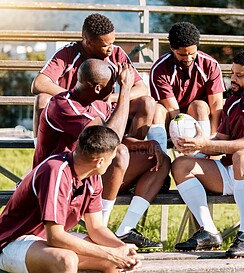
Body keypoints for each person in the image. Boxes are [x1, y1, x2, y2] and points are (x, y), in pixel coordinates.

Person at [34, 58, 171, 251]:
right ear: (97, 88)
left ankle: (125, 228)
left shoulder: (98, 103)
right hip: (58, 181)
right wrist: (125, 90)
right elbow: (109, 139)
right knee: (119, 153)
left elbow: (116, 138)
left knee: (160, 160)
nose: (115, 88)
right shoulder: (64, 106)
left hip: (89, 175)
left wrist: (146, 144)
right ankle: (101, 229)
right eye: (112, 84)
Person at [171, 51, 244, 258]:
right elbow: (220, 140)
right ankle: (209, 231)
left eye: (240, 75)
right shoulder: (232, 101)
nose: (233, 79)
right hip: (232, 169)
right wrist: (196, 146)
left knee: (243, 155)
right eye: (232, 73)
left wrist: (206, 143)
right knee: (181, 164)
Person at [0, 125, 144, 273]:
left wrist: (122, 250)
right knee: (67, 260)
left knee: (114, 263)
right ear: (100, 161)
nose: (111, 163)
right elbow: (55, 237)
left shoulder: (93, 177)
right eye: (111, 159)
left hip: (45, 241)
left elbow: (96, 228)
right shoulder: (55, 172)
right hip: (12, 242)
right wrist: (112, 254)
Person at [31, 13, 155, 140]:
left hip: (107, 109)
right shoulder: (67, 53)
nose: (110, 49)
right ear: (88, 42)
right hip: (75, 112)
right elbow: (39, 84)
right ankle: (41, 154)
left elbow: (141, 88)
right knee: (42, 99)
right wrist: (76, 97)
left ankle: (131, 152)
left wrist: (111, 98)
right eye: (105, 45)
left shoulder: (116, 53)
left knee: (147, 102)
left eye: (113, 42)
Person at [147, 21, 225, 154]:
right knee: (157, 110)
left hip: (198, 114)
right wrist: (179, 135)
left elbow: (216, 104)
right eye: (183, 55)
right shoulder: (160, 68)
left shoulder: (210, 65)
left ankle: (202, 154)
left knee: (199, 106)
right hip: (172, 116)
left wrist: (213, 136)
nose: (188, 58)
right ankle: (160, 160)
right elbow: (172, 109)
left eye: (192, 53)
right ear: (172, 48)